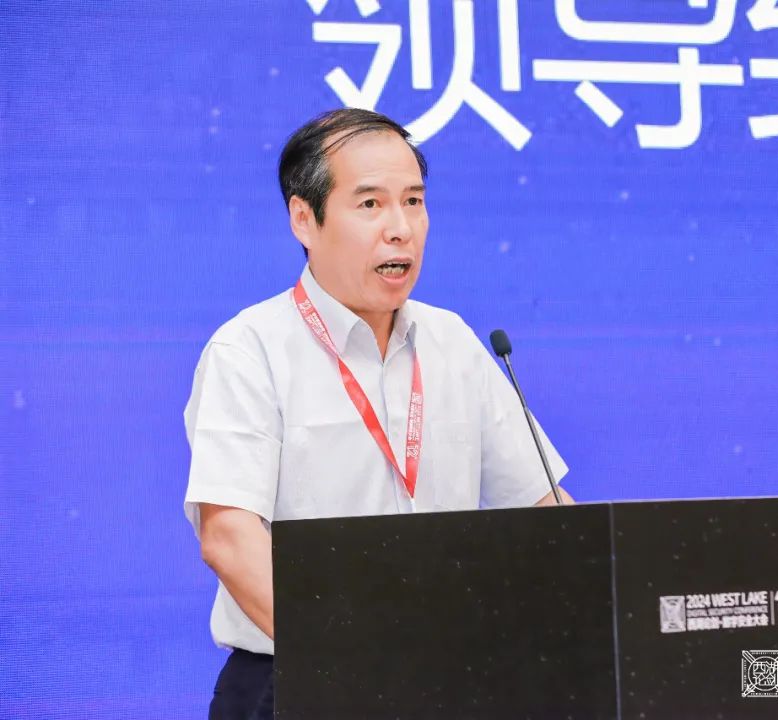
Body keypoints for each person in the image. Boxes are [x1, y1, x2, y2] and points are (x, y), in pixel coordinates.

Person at [182, 108, 572, 720]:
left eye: (414, 202)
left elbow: (545, 511)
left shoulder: (454, 342)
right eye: (370, 204)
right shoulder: (250, 349)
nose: (400, 229)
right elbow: (229, 538)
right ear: (304, 219)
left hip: (451, 681)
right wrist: (356, 663)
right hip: (301, 681)